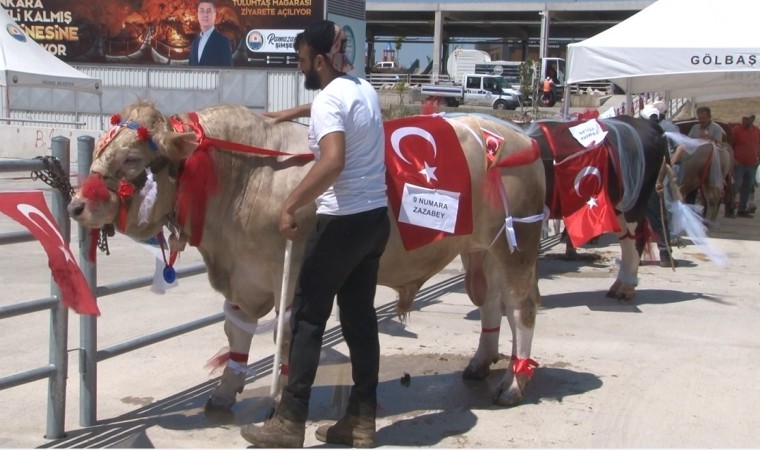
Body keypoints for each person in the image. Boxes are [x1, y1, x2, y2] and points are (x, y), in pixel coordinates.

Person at [240, 20, 390, 449]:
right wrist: (292, 113)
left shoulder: (328, 101)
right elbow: (337, 113)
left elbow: (333, 160)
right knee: (360, 320)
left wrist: (290, 205)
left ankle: (290, 422)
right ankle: (362, 420)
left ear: (321, 61)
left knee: (306, 319)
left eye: (303, 60)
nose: (299, 67)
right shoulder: (362, 88)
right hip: (375, 221)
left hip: (341, 222)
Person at [726, 112, 760, 218]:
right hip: (739, 164)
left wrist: (758, 160)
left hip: (752, 165)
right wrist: (734, 160)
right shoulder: (736, 131)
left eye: (747, 119)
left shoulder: (757, 131)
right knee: (734, 186)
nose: (744, 121)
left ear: (753, 119)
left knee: (747, 187)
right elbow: (730, 145)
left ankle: (742, 209)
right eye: (743, 119)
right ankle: (729, 209)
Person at [189, 0, 233, 66]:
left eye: (208, 11)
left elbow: (227, 72)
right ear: (197, 15)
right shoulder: (195, 43)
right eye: (202, 11)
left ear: (215, 15)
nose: (205, 14)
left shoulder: (223, 42)